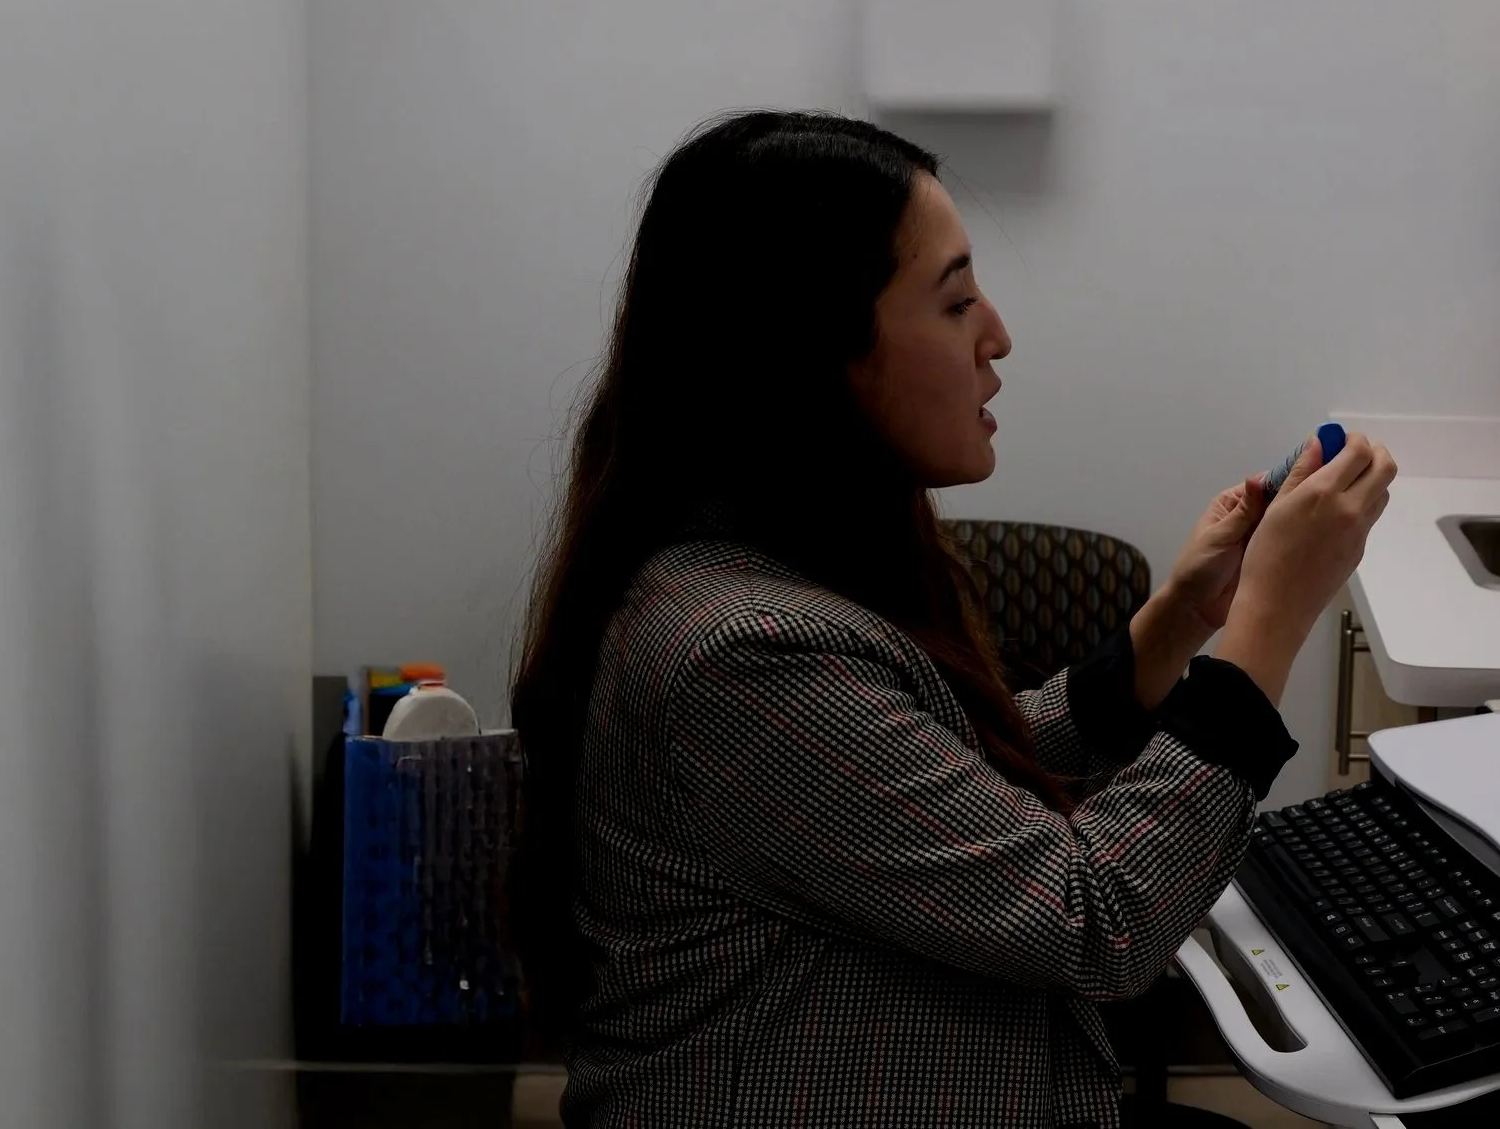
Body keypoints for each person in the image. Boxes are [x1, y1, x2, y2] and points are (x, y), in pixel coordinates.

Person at [508, 111, 1396, 1128]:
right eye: (957, 300)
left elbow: (945, 789)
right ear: (815, 350)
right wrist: (1269, 623)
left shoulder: (762, 575)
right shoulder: (740, 656)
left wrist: (1176, 625)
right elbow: (1097, 919)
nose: (997, 337)